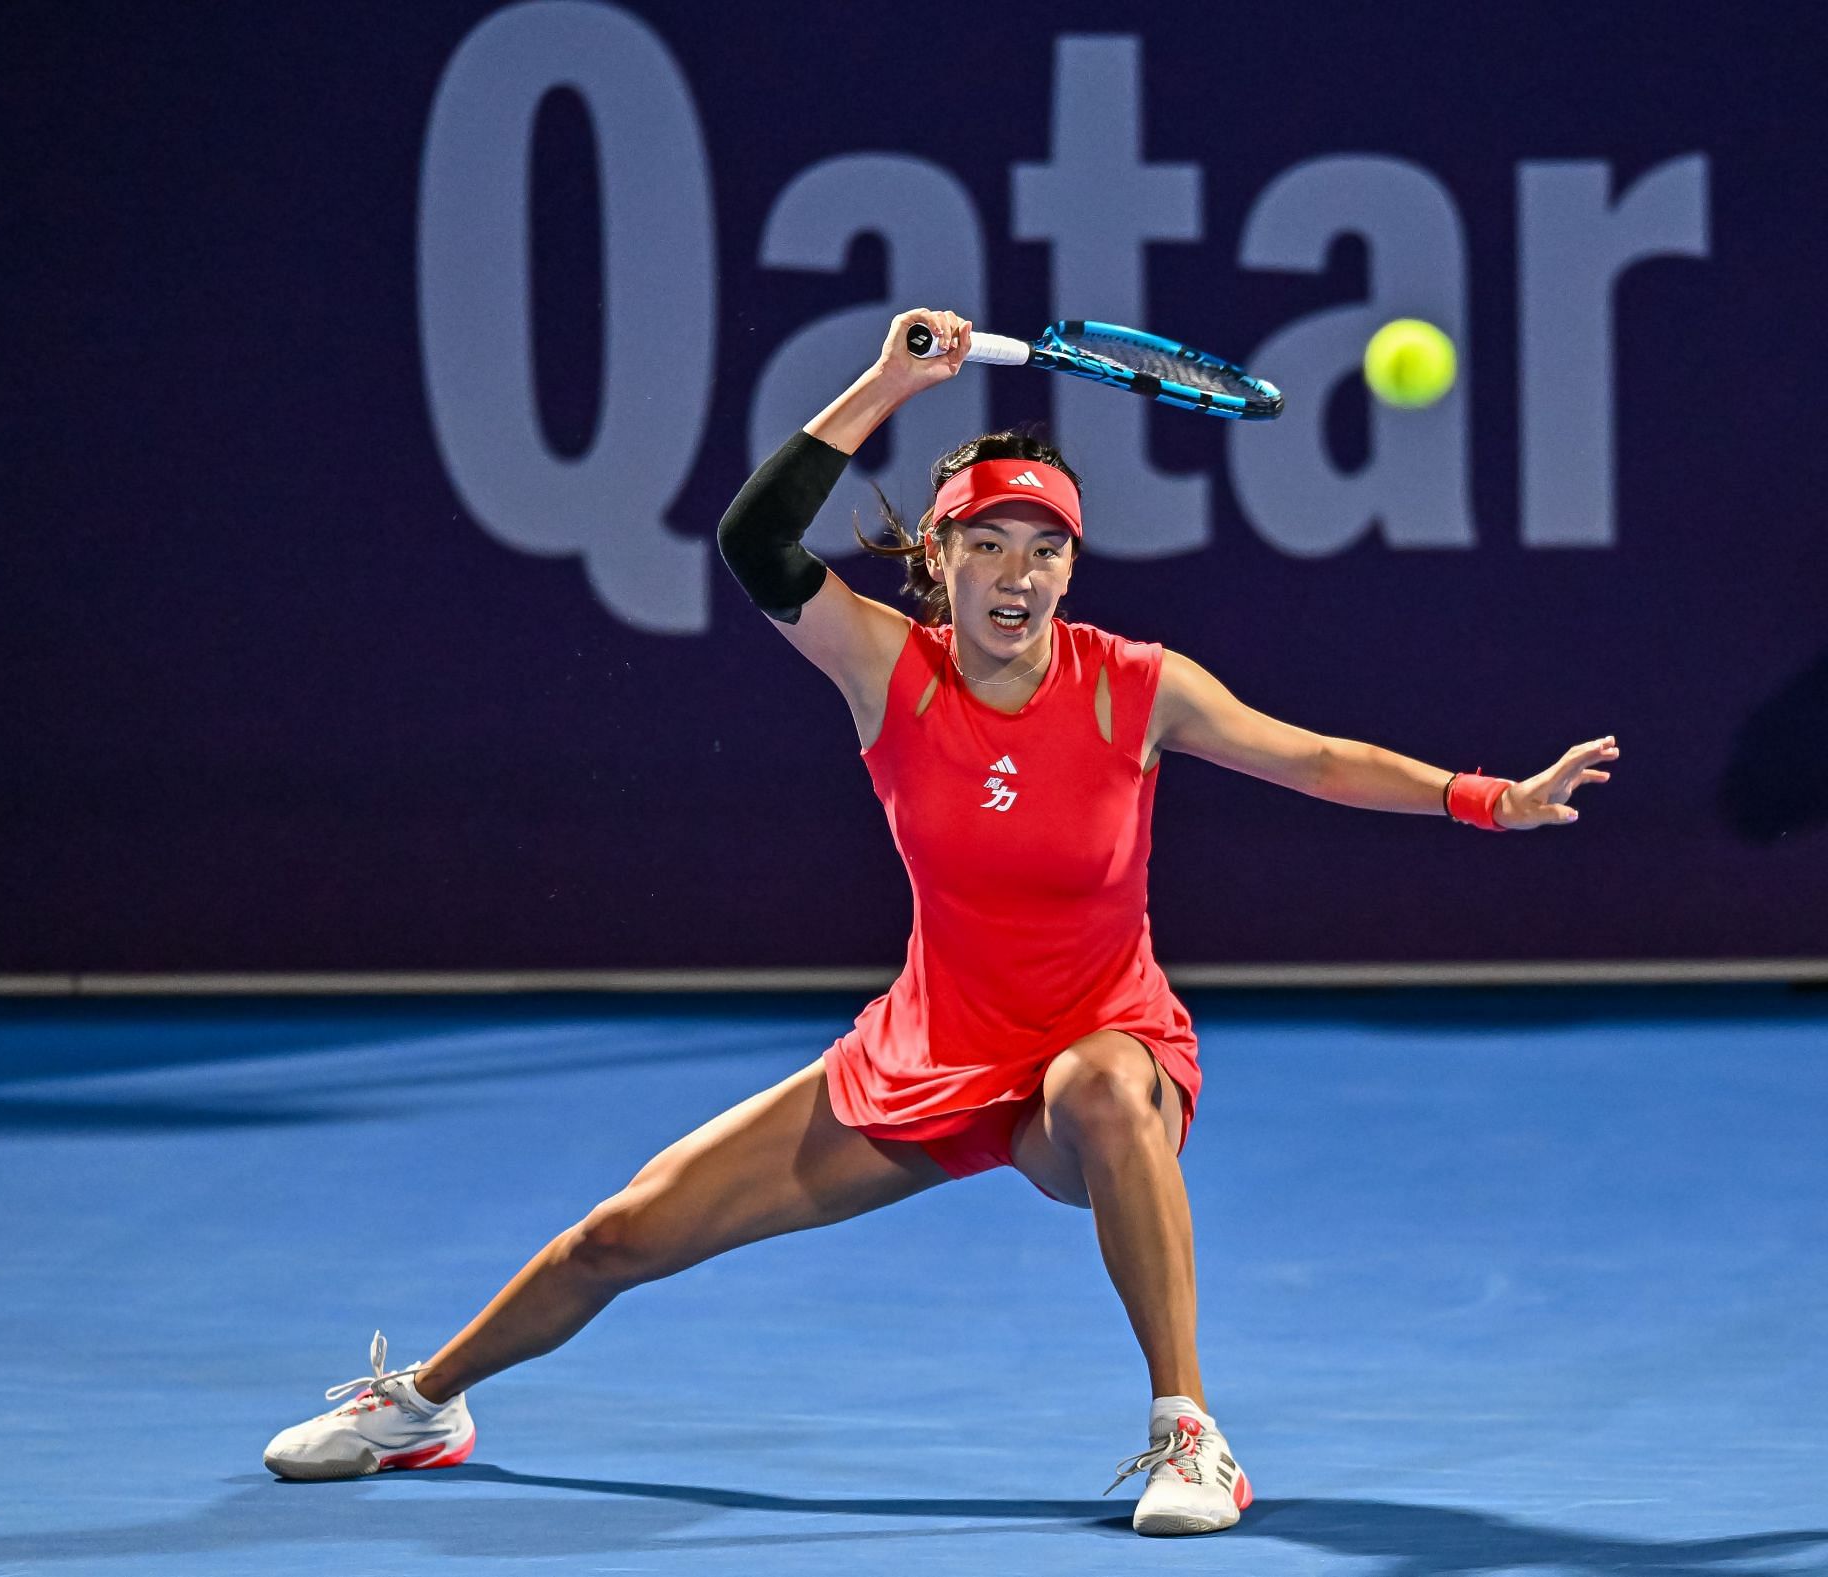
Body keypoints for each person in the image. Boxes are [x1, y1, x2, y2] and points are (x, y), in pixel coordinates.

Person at [263, 307, 1618, 1537]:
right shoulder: (884, 668)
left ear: (1072, 571)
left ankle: (1190, 1434)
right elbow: (751, 544)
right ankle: (426, 1402)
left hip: (1096, 1051)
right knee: (621, 1234)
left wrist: (1488, 799)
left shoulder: (1134, 688)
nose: (1017, 574)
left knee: (1101, 1080)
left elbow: (1316, 756)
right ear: (943, 555)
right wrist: (885, 383)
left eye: (1046, 550)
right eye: (989, 545)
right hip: (921, 1059)